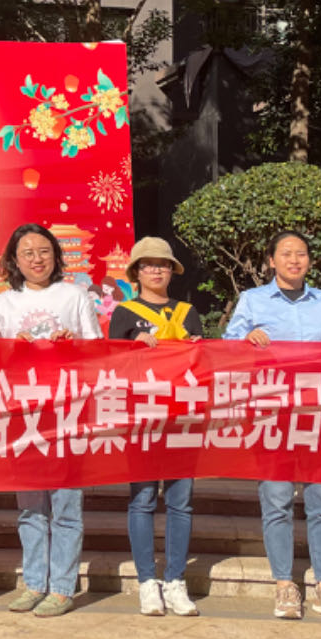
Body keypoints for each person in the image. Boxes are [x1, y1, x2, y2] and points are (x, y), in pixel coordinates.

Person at [224, 230, 321, 624]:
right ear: (271, 261)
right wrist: (246, 338)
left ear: (310, 261)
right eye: (286, 253)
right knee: (277, 500)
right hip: (273, 414)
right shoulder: (253, 300)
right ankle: (284, 584)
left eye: (301, 254)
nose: (294, 260)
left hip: (319, 414)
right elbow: (228, 346)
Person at [0, 223, 102, 619]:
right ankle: (34, 583)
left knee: (66, 504)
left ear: (55, 255)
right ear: (14, 261)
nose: (36, 259)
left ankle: (63, 588)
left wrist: (74, 346)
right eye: (27, 253)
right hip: (24, 415)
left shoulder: (75, 296)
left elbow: (98, 352)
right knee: (31, 506)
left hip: (68, 411)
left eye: (43, 251)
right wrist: (12, 350)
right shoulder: (3, 304)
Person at [108, 236, 199, 619]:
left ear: (172, 271)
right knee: (143, 499)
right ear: (136, 272)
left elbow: (200, 365)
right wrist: (133, 347)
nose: (156, 270)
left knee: (180, 502)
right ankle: (147, 581)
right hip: (141, 419)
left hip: (181, 418)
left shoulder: (187, 312)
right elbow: (111, 366)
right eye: (148, 265)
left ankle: (175, 580)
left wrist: (196, 347)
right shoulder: (124, 314)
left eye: (162, 264)